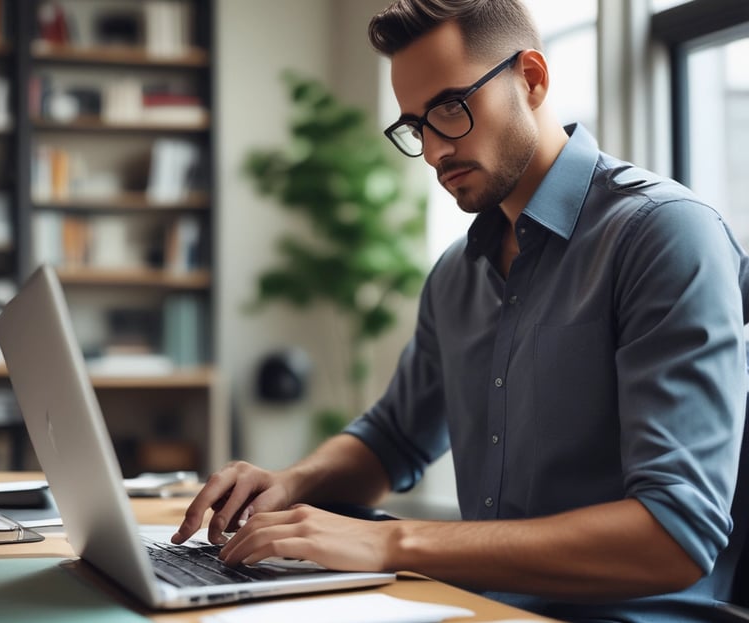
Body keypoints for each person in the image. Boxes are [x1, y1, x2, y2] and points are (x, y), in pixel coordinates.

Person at [173, 1, 749, 620]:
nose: (432, 153)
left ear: (531, 77)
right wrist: (290, 483)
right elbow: (392, 439)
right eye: (416, 126)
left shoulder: (663, 235)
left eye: (451, 108)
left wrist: (391, 540)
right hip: (474, 609)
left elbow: (676, 534)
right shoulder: (456, 272)